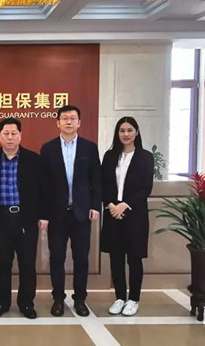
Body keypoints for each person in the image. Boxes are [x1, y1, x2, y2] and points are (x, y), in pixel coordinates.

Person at [40, 105, 101, 317]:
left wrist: (95, 205)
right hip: (57, 214)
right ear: (57, 122)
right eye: (64, 118)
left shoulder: (89, 148)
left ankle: (80, 299)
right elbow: (44, 185)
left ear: (79, 123)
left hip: (81, 212)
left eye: (72, 118)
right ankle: (58, 298)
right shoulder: (48, 149)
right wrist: (44, 214)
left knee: (81, 258)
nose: (68, 122)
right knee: (56, 257)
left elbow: (96, 179)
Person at [0, 118, 47, 319]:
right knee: (2, 263)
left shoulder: (34, 160)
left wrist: (44, 215)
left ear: (20, 135)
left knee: (27, 263)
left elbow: (44, 190)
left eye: (14, 133)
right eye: (6, 133)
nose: (10, 137)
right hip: (1, 218)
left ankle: (26, 304)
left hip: (26, 218)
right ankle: (1, 303)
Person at [101, 117, 154, 316]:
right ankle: (120, 298)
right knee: (116, 258)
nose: (125, 134)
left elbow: (146, 188)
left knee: (134, 258)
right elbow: (103, 183)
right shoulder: (110, 156)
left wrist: (125, 205)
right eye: (122, 130)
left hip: (135, 214)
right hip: (113, 212)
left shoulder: (145, 157)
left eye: (129, 130)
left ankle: (134, 299)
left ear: (136, 132)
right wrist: (111, 205)